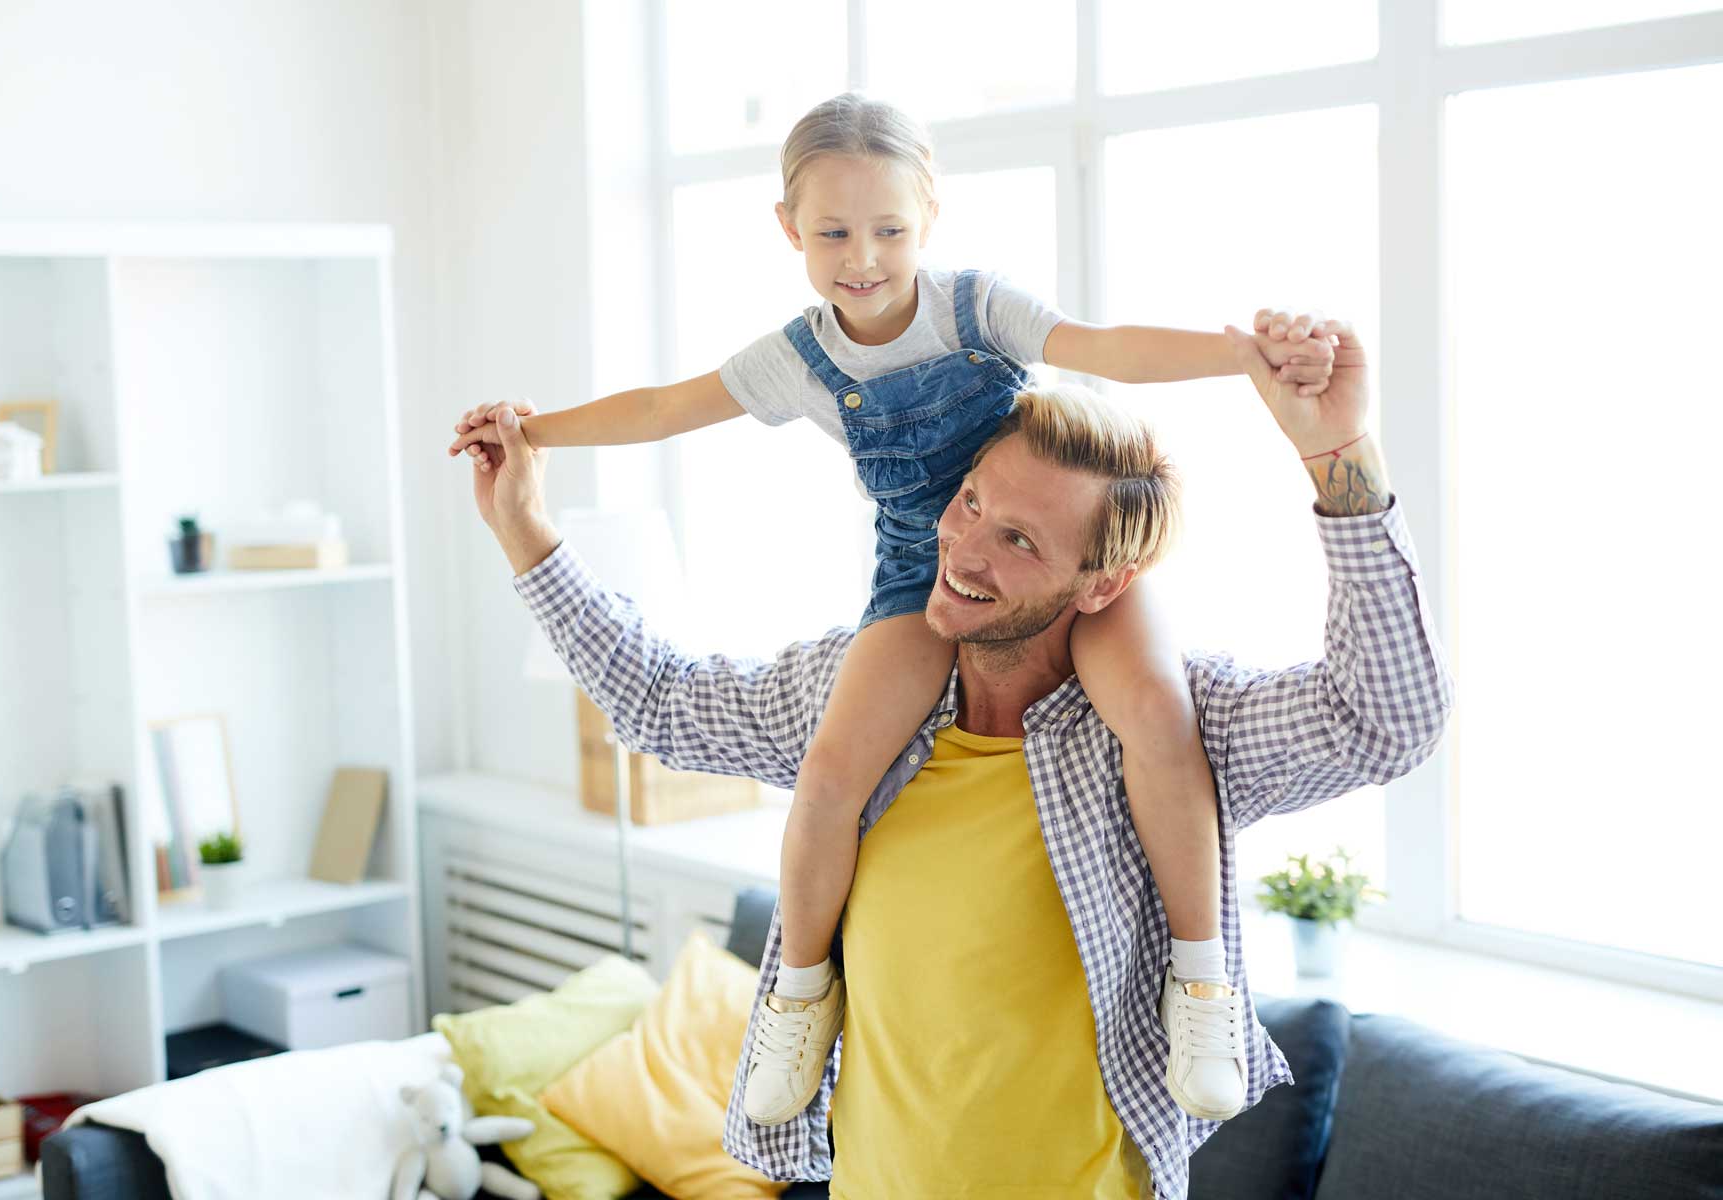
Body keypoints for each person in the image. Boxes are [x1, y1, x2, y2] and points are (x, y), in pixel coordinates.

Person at [448, 91, 1341, 1127]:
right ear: (788, 228)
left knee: (1156, 716)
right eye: (831, 231)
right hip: (920, 574)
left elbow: (1107, 348)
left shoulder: (977, 308)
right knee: (831, 770)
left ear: (930, 219)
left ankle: (1202, 985)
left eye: (888, 229)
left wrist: (1242, 357)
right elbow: (661, 409)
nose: (861, 256)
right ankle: (797, 997)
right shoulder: (799, 355)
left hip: (1055, 551)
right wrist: (529, 429)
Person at [461, 317, 1452, 1200]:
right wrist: (524, 529)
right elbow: (658, 700)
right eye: (971, 502)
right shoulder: (856, 707)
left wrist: (1338, 458)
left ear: (1101, 586)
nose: (963, 547)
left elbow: (1388, 720)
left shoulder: (1169, 732)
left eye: (1017, 538)